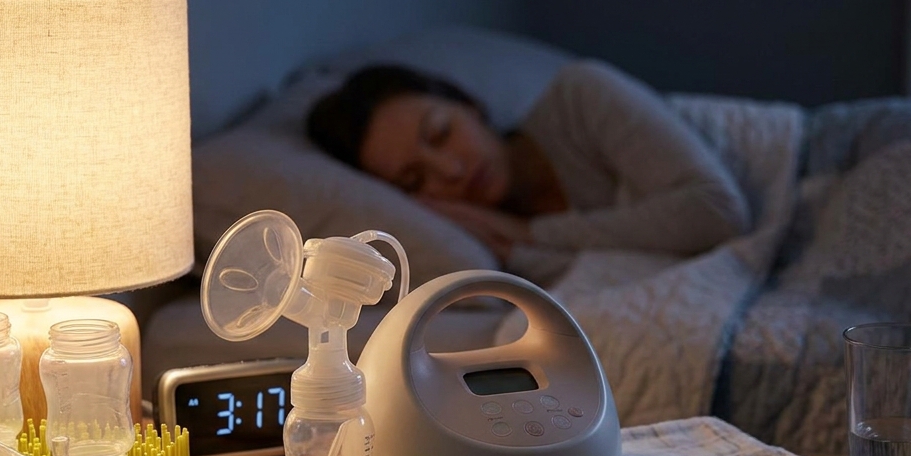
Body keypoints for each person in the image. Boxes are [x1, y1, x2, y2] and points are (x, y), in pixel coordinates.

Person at [306, 61, 750, 284]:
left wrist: (532, 232)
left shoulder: (580, 98)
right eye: (415, 180)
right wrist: (519, 245)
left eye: (441, 133)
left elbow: (715, 212)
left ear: (470, 104)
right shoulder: (489, 241)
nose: (452, 170)